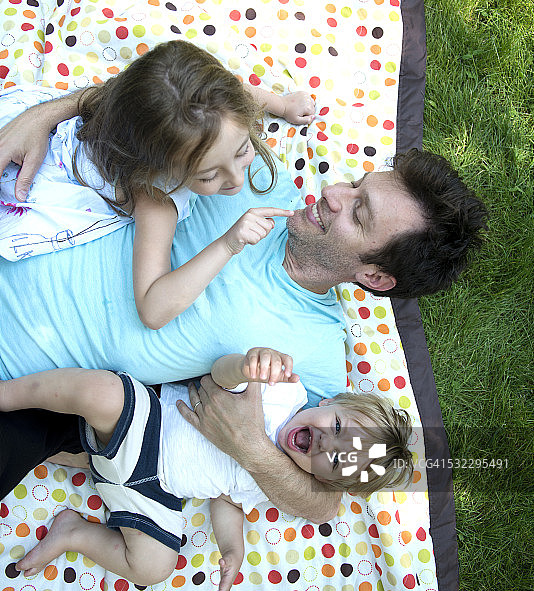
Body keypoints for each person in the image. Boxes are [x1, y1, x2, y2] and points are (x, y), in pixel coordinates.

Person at [0, 91, 487, 523]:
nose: (335, 194)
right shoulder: (255, 178)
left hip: (21, 384)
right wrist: (43, 116)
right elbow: (161, 95)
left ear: (375, 277)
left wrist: (251, 447)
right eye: (356, 185)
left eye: (358, 213)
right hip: (23, 226)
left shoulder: (314, 352)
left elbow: (323, 503)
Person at [0, 347, 413, 591]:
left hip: (150, 491)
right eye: (337, 424)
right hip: (149, 421)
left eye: (336, 460)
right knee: (102, 393)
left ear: (330, 482)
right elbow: (221, 377)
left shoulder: (274, 480)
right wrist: (247, 365)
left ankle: (73, 533)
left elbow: (227, 502)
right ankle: (10, 394)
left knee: (153, 565)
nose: (325, 440)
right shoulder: (283, 393)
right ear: (329, 402)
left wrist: (233, 550)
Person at [0, 41, 315, 328]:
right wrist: (228, 243)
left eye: (243, 149)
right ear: (160, 168)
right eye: (208, 176)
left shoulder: (208, 107)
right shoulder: (155, 196)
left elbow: (238, 94)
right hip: (32, 171)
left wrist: (283, 105)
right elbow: (152, 310)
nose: (234, 180)